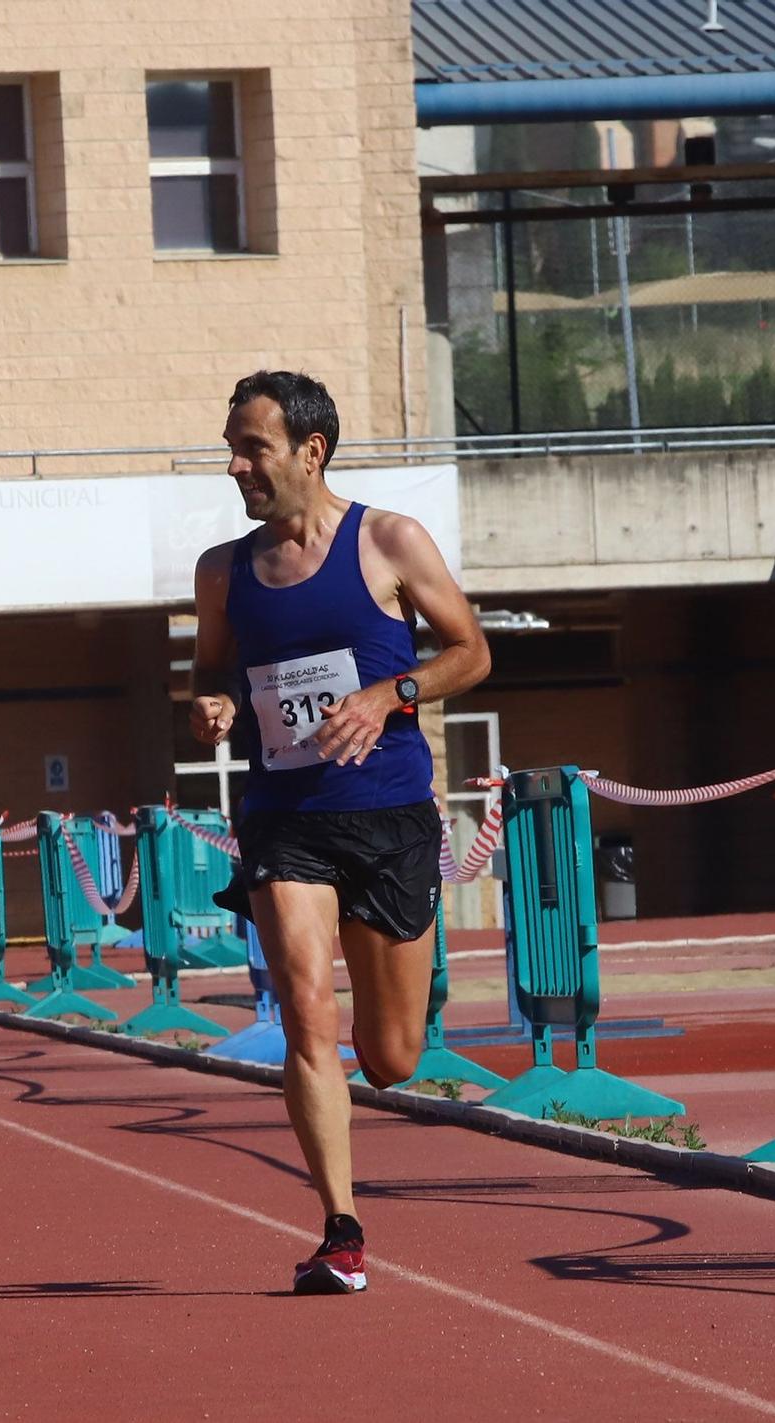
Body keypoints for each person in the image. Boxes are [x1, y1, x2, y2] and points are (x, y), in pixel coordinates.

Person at [189, 371, 490, 1296]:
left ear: (310, 451)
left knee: (392, 1057)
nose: (237, 464)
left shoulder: (389, 540)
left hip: (389, 815)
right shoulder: (223, 569)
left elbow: (471, 652)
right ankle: (342, 1231)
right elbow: (212, 675)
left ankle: (380, 1061)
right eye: (232, 447)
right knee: (307, 1013)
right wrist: (210, 706)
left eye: (254, 447)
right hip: (286, 820)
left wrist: (386, 693)